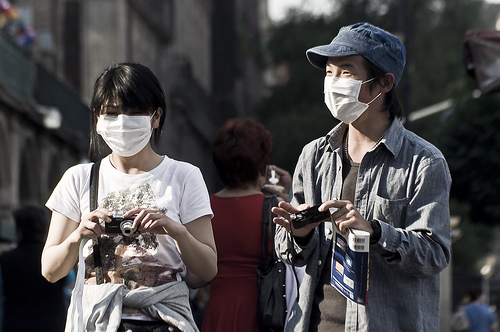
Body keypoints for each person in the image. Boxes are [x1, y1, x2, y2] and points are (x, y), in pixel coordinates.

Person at [272, 22, 452, 331]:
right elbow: (287, 251)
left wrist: (375, 232)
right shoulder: (314, 156)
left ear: (383, 83)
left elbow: (434, 253)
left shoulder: (424, 162)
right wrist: (299, 232)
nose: (333, 83)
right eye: (329, 72)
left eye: (346, 72)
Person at [41, 62, 217, 332]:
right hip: (97, 322)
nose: (122, 122)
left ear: (156, 117)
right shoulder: (78, 179)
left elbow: (205, 272)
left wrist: (174, 230)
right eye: (112, 112)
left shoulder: (184, 176)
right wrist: (79, 235)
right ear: (97, 117)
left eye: (135, 112)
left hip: (164, 323)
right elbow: (51, 270)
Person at [201, 118, 291, 332]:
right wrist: (289, 193)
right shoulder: (275, 208)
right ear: (261, 164)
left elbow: (196, 276)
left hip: (217, 311)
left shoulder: (204, 209)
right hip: (262, 311)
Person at [0, 205, 68, 332]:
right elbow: (70, 284)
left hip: (17, 325)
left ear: (19, 230)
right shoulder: (55, 256)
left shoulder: (6, 259)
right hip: (53, 324)